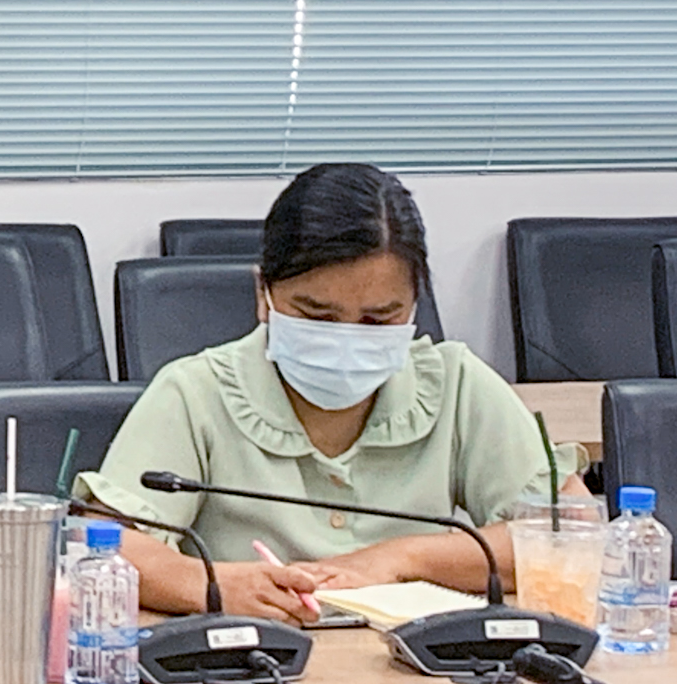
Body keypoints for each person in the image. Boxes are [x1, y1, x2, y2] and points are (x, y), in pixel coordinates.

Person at [76, 163, 584, 625]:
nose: (346, 338)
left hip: (420, 677)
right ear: (263, 295)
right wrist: (211, 586)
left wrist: (401, 559)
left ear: (414, 305)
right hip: (249, 673)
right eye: (317, 316)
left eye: (379, 319)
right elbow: (104, 544)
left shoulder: (455, 384)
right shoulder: (196, 392)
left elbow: (573, 530)